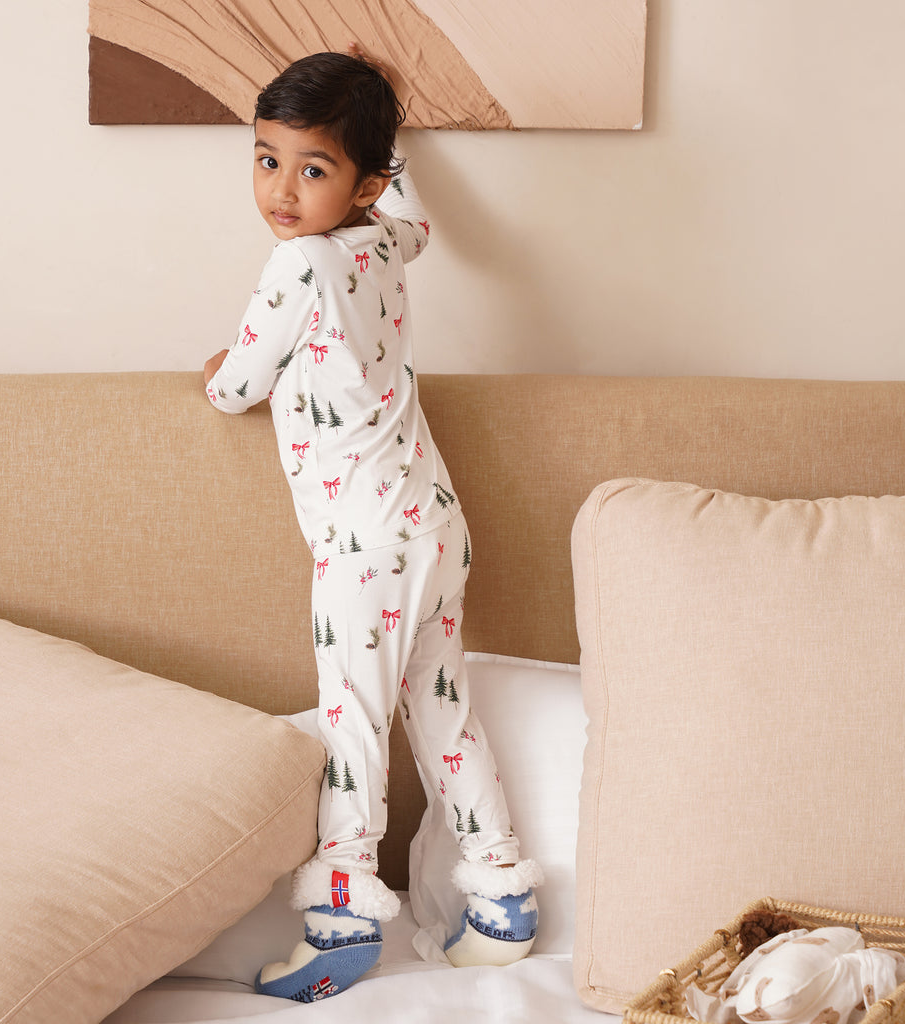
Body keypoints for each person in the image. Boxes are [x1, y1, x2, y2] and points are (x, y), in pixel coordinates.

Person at [204, 48, 541, 1004]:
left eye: (313, 169)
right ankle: (501, 904)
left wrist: (220, 368)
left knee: (353, 722)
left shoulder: (299, 261)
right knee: (442, 712)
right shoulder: (383, 241)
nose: (281, 187)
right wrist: (395, 152)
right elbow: (421, 222)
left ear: (362, 182)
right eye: (267, 158)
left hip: (365, 542)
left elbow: (237, 389)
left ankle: (344, 924)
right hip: (433, 521)